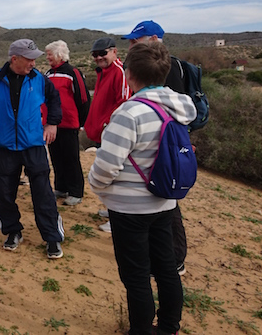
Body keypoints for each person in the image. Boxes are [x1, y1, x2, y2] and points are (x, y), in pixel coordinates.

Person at [88, 41, 193, 335]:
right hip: (165, 201)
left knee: (136, 276)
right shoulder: (180, 108)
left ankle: (141, 331)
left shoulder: (129, 113)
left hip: (129, 209)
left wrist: (97, 186)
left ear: (130, 74)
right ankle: (169, 327)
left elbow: (106, 166)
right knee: (167, 269)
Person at [0, 39, 65, 259]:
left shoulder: (39, 79)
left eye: (35, 59)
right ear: (15, 59)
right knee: (3, 193)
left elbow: (54, 100)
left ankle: (52, 237)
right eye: (29, 59)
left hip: (33, 145)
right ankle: (13, 231)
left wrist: (52, 123)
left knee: (43, 193)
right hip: (4, 147)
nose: (34, 63)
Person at [122, 20, 188, 276]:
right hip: (159, 142)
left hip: (166, 145)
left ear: (152, 39)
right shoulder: (156, 64)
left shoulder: (166, 66)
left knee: (168, 201)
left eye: (134, 40)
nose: (130, 45)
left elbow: (174, 108)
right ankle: (165, 257)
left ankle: (174, 259)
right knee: (162, 199)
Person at [45, 40, 90, 206]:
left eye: (50, 54)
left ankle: (76, 191)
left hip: (70, 124)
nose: (48, 57)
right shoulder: (48, 74)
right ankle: (61, 187)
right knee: (56, 157)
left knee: (71, 158)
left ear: (59, 54)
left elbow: (83, 98)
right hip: (52, 125)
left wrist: (82, 122)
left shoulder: (73, 72)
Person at [84, 37, 131, 145]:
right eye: (95, 55)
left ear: (114, 51)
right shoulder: (103, 72)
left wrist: (106, 125)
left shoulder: (119, 71)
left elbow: (124, 104)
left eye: (102, 53)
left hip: (111, 135)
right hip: (100, 135)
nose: (99, 57)